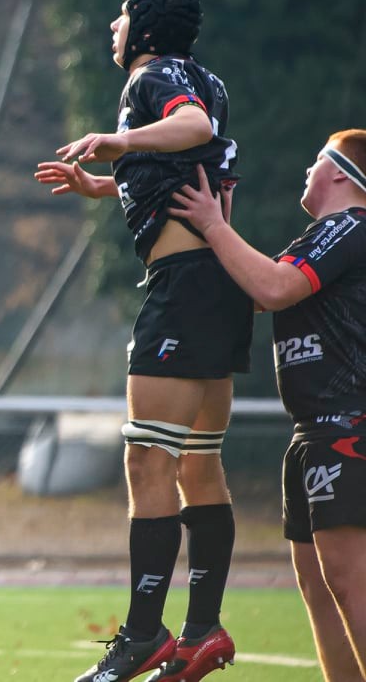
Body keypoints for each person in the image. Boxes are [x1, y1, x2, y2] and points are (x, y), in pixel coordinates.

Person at [34, 0, 249, 682]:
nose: (112, 25)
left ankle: (143, 634)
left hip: (184, 287)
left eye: (121, 16)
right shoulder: (207, 77)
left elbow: (193, 131)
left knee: (146, 461)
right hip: (219, 282)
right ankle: (200, 632)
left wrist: (114, 141)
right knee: (196, 462)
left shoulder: (153, 77)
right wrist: (110, 184)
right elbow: (202, 162)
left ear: (146, 30)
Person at [171, 132, 366, 682]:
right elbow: (255, 289)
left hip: (347, 426)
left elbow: (275, 288)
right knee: (319, 590)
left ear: (340, 173)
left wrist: (212, 225)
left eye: (314, 161)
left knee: (350, 583)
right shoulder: (325, 236)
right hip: (313, 432)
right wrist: (220, 222)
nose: (305, 171)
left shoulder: (348, 227)